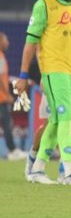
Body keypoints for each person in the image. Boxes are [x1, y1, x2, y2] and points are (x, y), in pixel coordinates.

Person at [16, 0, 71, 185]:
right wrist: (23, 74)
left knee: (57, 121)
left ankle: (37, 169)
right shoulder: (44, 5)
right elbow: (30, 43)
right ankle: (68, 172)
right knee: (66, 118)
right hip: (53, 70)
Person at [1, 32, 26, 160]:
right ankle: (12, 150)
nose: (8, 43)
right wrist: (7, 95)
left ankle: (12, 149)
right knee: (6, 124)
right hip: (1, 98)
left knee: (6, 124)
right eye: (5, 40)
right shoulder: (0, 57)